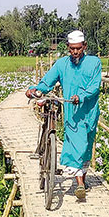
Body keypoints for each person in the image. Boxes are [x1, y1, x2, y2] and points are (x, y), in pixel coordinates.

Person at [25, 30, 101, 201]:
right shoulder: (61, 64)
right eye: (72, 48)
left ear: (85, 46)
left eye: (78, 48)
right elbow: (47, 81)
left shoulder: (94, 63)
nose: (75, 52)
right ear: (67, 47)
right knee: (76, 144)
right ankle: (80, 184)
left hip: (89, 111)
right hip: (72, 113)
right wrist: (36, 90)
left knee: (87, 145)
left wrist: (80, 97)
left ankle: (83, 176)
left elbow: (94, 86)